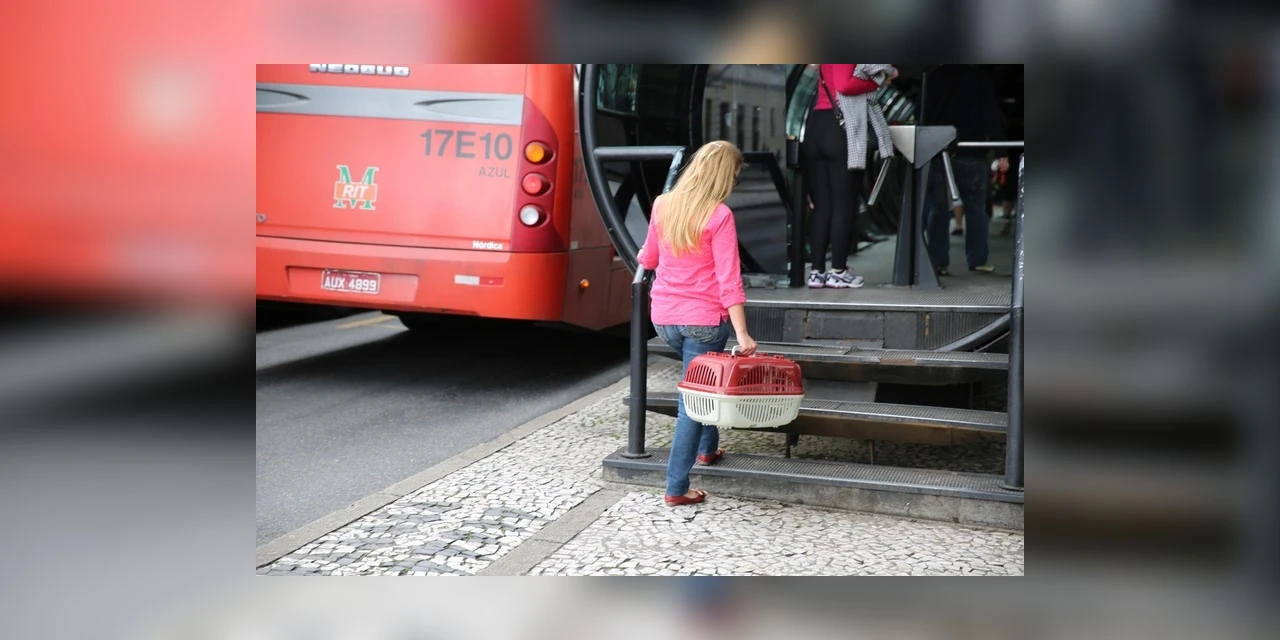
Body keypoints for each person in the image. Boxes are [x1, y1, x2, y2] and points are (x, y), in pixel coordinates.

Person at [637, 140, 759, 507]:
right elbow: (729, 281)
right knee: (692, 401)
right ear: (725, 176)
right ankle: (676, 487)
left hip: (664, 318)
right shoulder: (719, 215)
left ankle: (707, 449)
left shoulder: (663, 204)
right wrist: (742, 333)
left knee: (698, 383)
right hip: (704, 320)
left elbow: (649, 257)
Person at [802, 64, 895, 289]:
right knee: (843, 205)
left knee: (823, 207)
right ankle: (838, 271)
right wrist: (877, 81)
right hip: (839, 129)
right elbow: (845, 85)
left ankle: (817, 272)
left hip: (816, 126)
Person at [922, 64, 1008, 275]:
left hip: (938, 152)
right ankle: (978, 260)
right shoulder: (979, 76)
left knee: (938, 209)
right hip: (971, 151)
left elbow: (922, 114)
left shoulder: (932, 76)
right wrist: (1001, 150)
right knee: (976, 208)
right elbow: (990, 114)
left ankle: (938, 262)